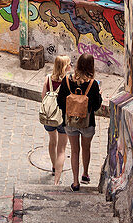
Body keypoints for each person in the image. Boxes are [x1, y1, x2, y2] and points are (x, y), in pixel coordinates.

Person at [56, 52, 102, 191]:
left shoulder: (67, 81)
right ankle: (85, 174)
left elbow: (60, 101)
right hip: (87, 123)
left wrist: (71, 110)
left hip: (70, 122)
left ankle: (75, 182)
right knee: (86, 148)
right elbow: (96, 106)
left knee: (74, 151)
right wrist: (99, 96)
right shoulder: (93, 84)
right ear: (91, 67)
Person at [42, 55, 71, 184]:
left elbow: (43, 97)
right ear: (65, 66)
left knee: (52, 142)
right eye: (69, 64)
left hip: (49, 117)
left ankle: (54, 167)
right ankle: (57, 180)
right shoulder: (69, 81)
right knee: (62, 149)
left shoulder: (48, 79)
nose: (71, 66)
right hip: (62, 118)